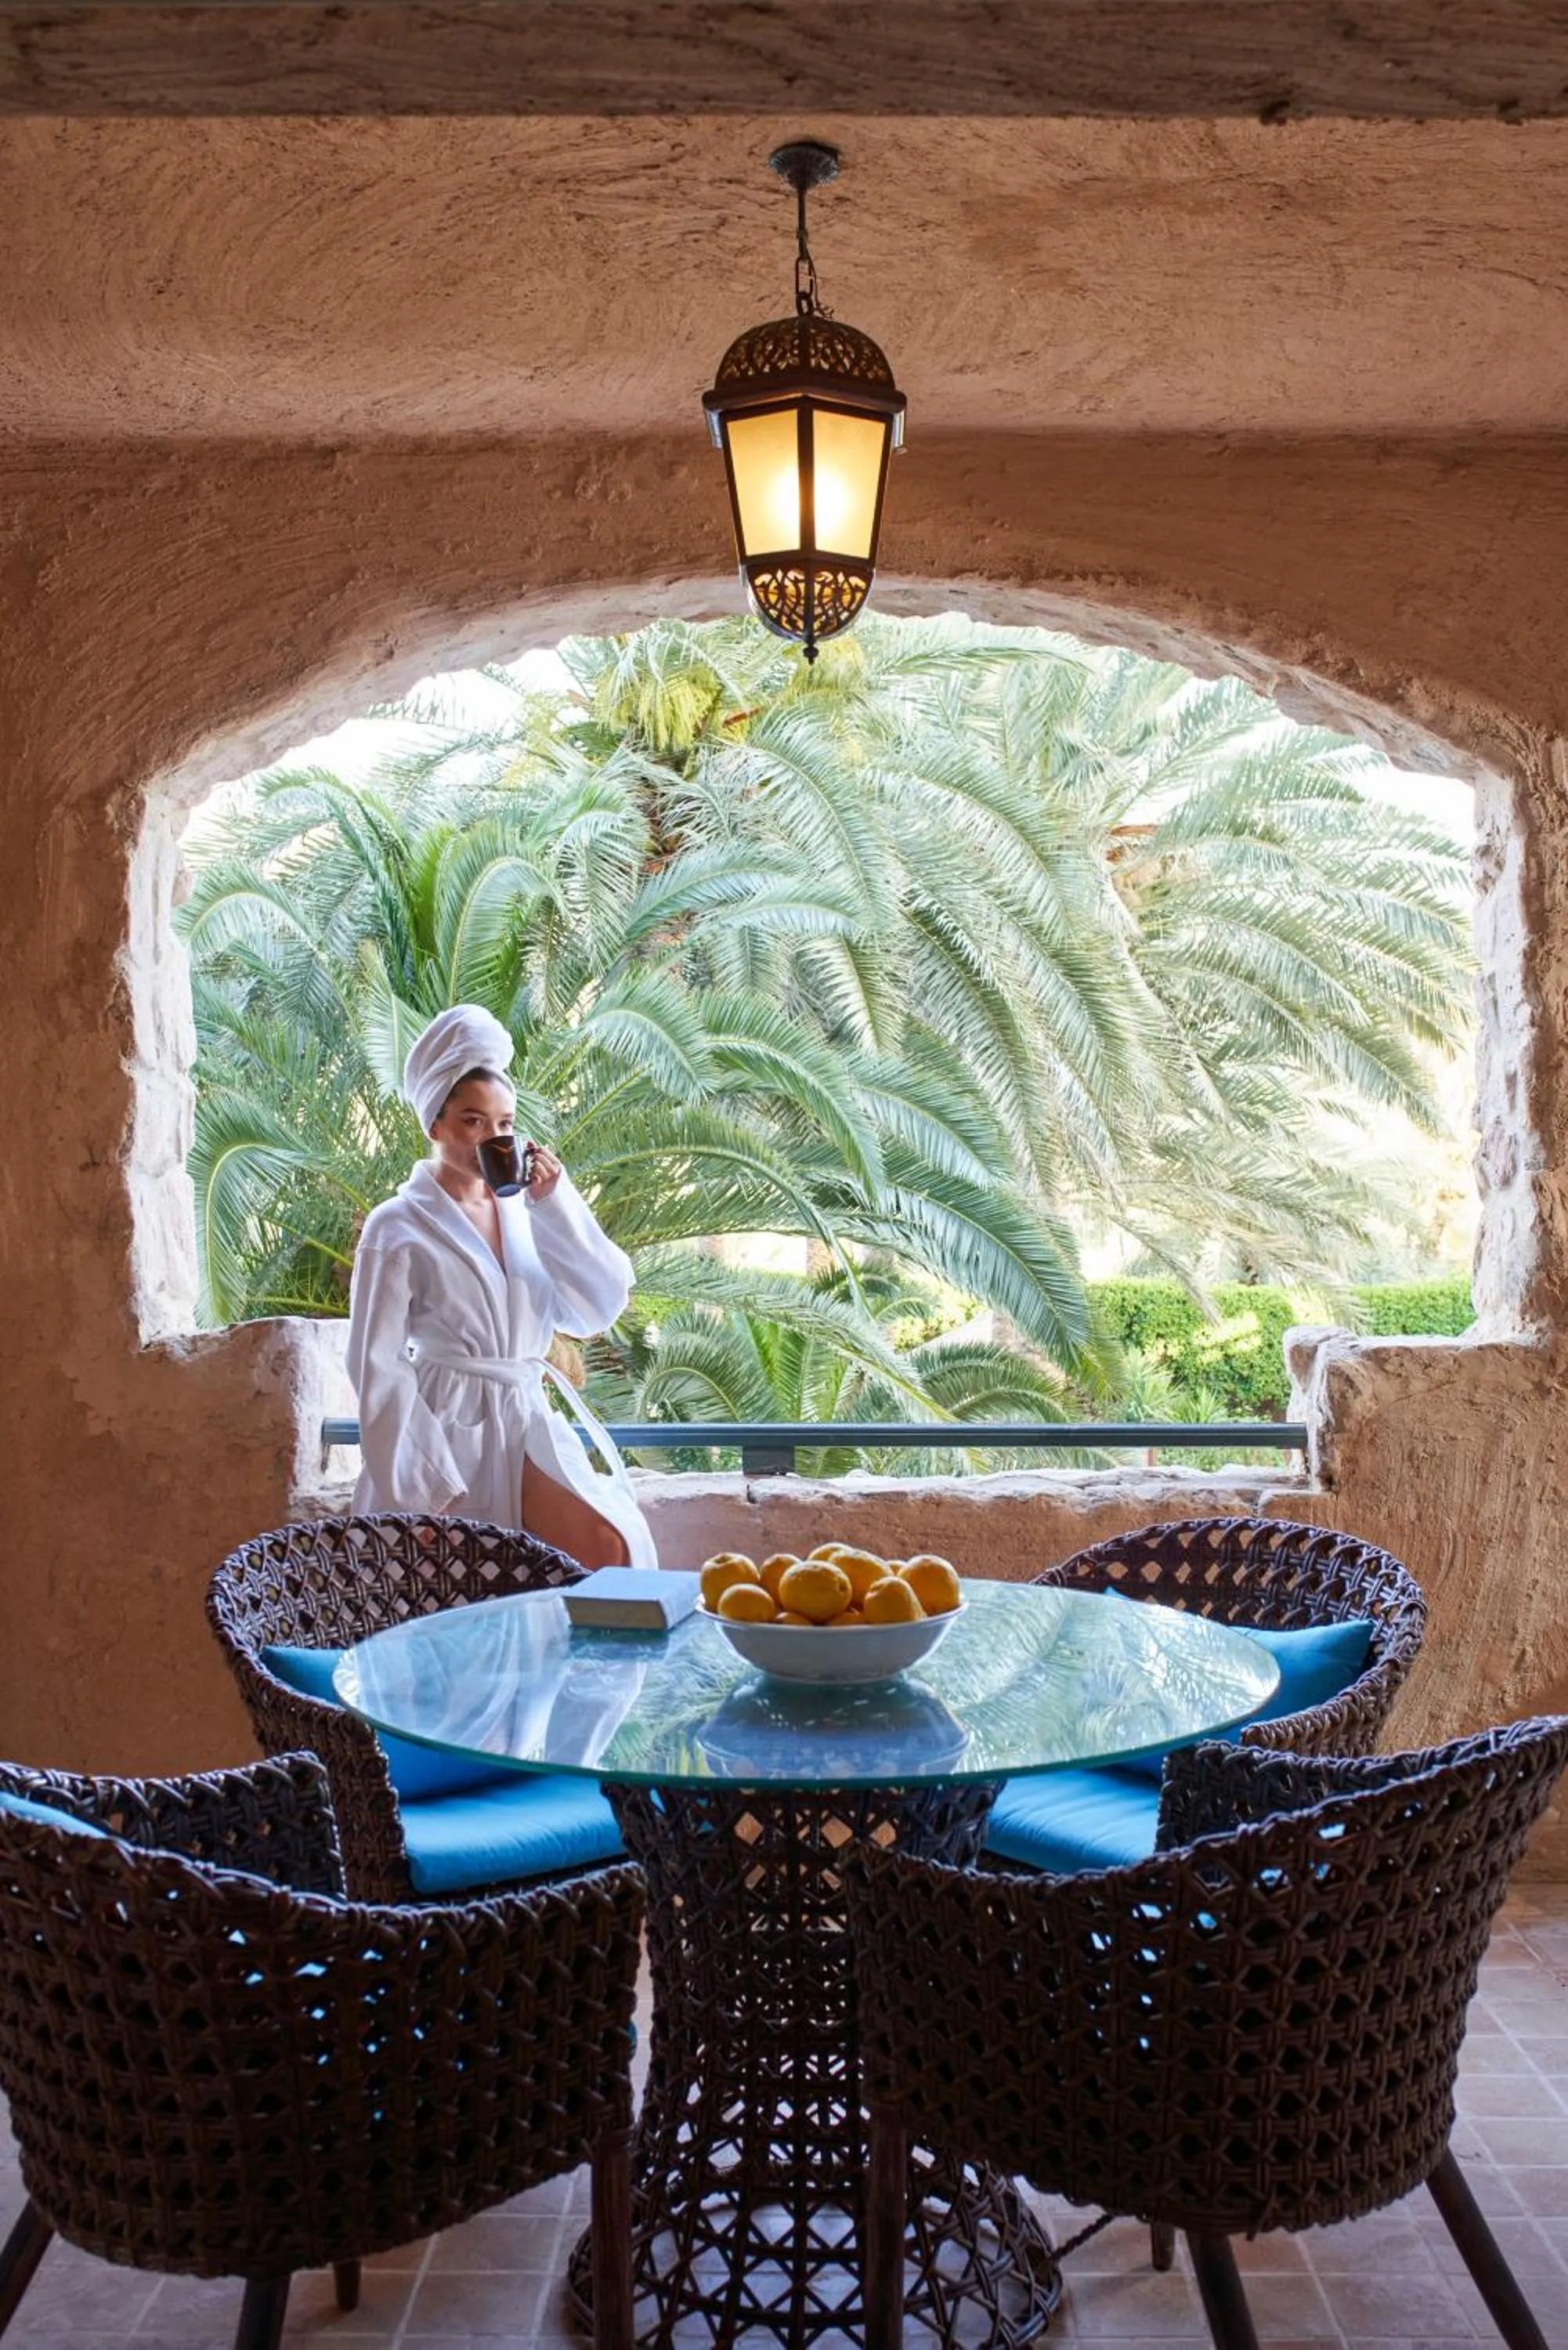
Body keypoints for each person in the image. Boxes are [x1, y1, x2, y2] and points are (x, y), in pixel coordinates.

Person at [345, 1003, 657, 1569]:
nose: (493, 1137)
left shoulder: (526, 1210)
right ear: (434, 1125)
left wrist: (555, 1205)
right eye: (473, 1121)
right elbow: (375, 1365)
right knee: (459, 1602)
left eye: (506, 1124)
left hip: (524, 1414)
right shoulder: (397, 1226)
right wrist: (417, 1491)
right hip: (449, 1428)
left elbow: (597, 1307)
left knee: (614, 1550)